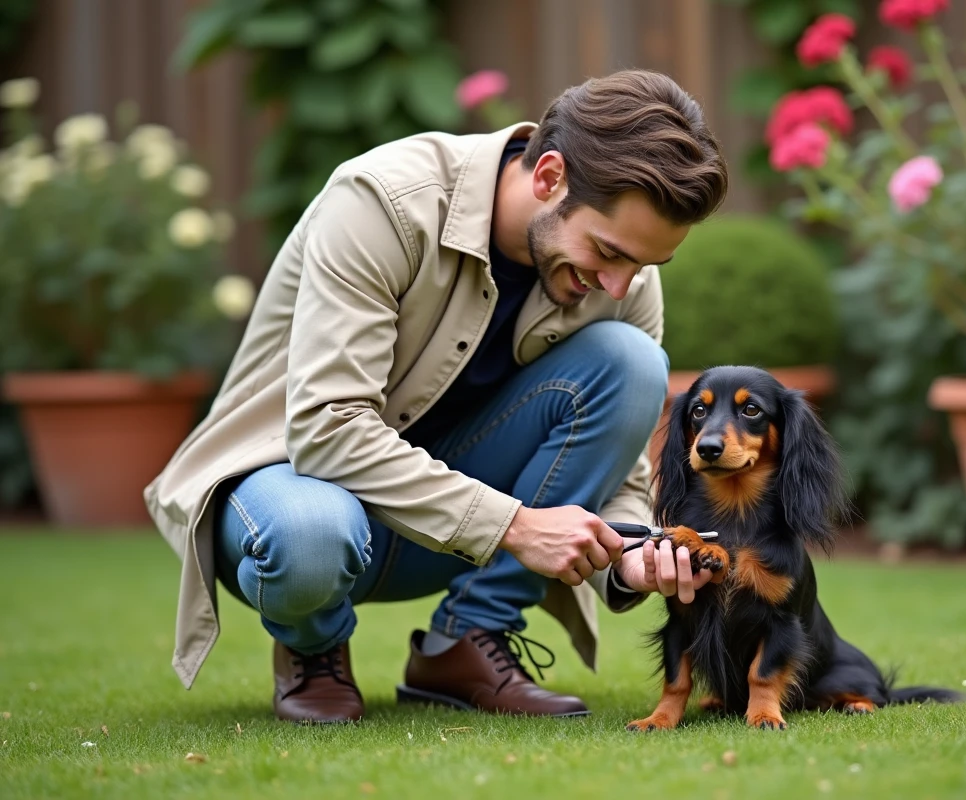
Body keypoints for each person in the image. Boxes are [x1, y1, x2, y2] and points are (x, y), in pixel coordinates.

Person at [144, 69, 729, 723]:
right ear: (549, 178)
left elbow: (622, 472)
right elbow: (326, 428)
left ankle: (467, 640)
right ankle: (313, 648)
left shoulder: (621, 281)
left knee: (634, 361)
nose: (619, 287)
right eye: (607, 251)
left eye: (644, 266)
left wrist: (632, 555)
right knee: (309, 537)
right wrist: (515, 526)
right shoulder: (384, 201)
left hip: (448, 536)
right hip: (293, 497)